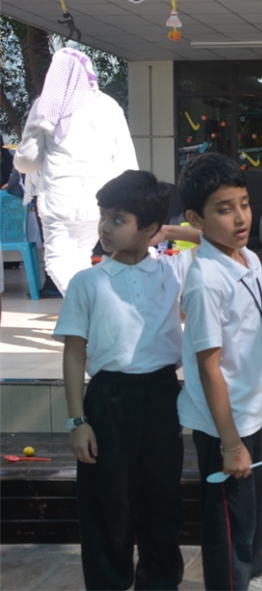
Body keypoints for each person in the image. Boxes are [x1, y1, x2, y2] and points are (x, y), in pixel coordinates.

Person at [54, 170, 200, 590]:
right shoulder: (88, 282)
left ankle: (160, 582)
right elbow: (74, 353)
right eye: (104, 216)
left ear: (150, 228)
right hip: (108, 400)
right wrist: (77, 421)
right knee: (107, 506)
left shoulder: (172, 271)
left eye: (118, 219)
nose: (104, 227)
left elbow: (218, 239)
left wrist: (166, 229)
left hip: (161, 396)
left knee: (161, 502)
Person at [175, 153, 262, 591]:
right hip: (222, 426)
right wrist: (230, 444)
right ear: (196, 218)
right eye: (224, 209)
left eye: (244, 204)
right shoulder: (206, 280)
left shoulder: (248, 261)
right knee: (230, 520)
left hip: (249, 411)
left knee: (261, 506)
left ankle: (254, 575)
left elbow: (255, 337)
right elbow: (209, 367)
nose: (241, 217)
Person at [13, 48, 138, 295]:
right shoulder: (108, 106)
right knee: (81, 257)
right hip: (100, 199)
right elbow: (126, 159)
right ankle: (90, 307)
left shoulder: (47, 105)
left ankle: (91, 305)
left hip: (59, 197)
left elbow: (27, 161)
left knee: (57, 260)